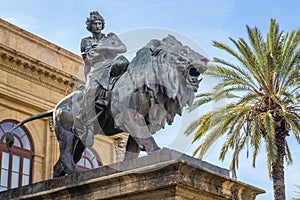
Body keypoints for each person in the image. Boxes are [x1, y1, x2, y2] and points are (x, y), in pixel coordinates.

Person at [73, 11, 128, 146]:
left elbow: (123, 48)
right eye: (94, 24)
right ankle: (90, 125)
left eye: (99, 23)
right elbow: (88, 60)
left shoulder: (110, 37)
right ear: (90, 26)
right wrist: (87, 77)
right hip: (96, 69)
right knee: (90, 91)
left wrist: (104, 47)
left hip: (111, 65)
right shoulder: (85, 41)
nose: (97, 26)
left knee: (125, 64)